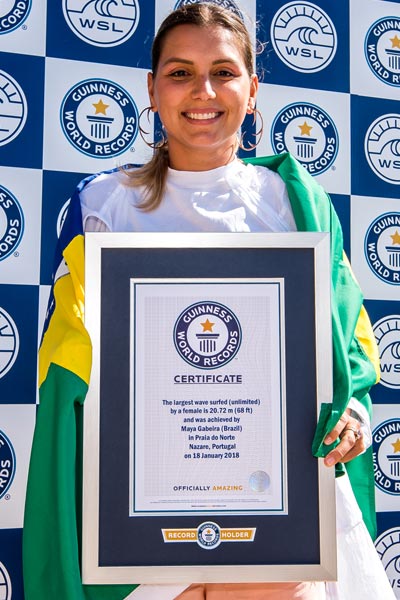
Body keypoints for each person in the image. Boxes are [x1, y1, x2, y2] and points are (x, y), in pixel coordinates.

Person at [23, 3, 395, 600]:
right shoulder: (103, 206)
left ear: (253, 88)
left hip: (273, 516)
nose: (203, 91)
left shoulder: (294, 203)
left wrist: (351, 417)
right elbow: (69, 366)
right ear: (150, 89)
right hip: (141, 523)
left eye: (223, 71)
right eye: (179, 72)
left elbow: (346, 346)